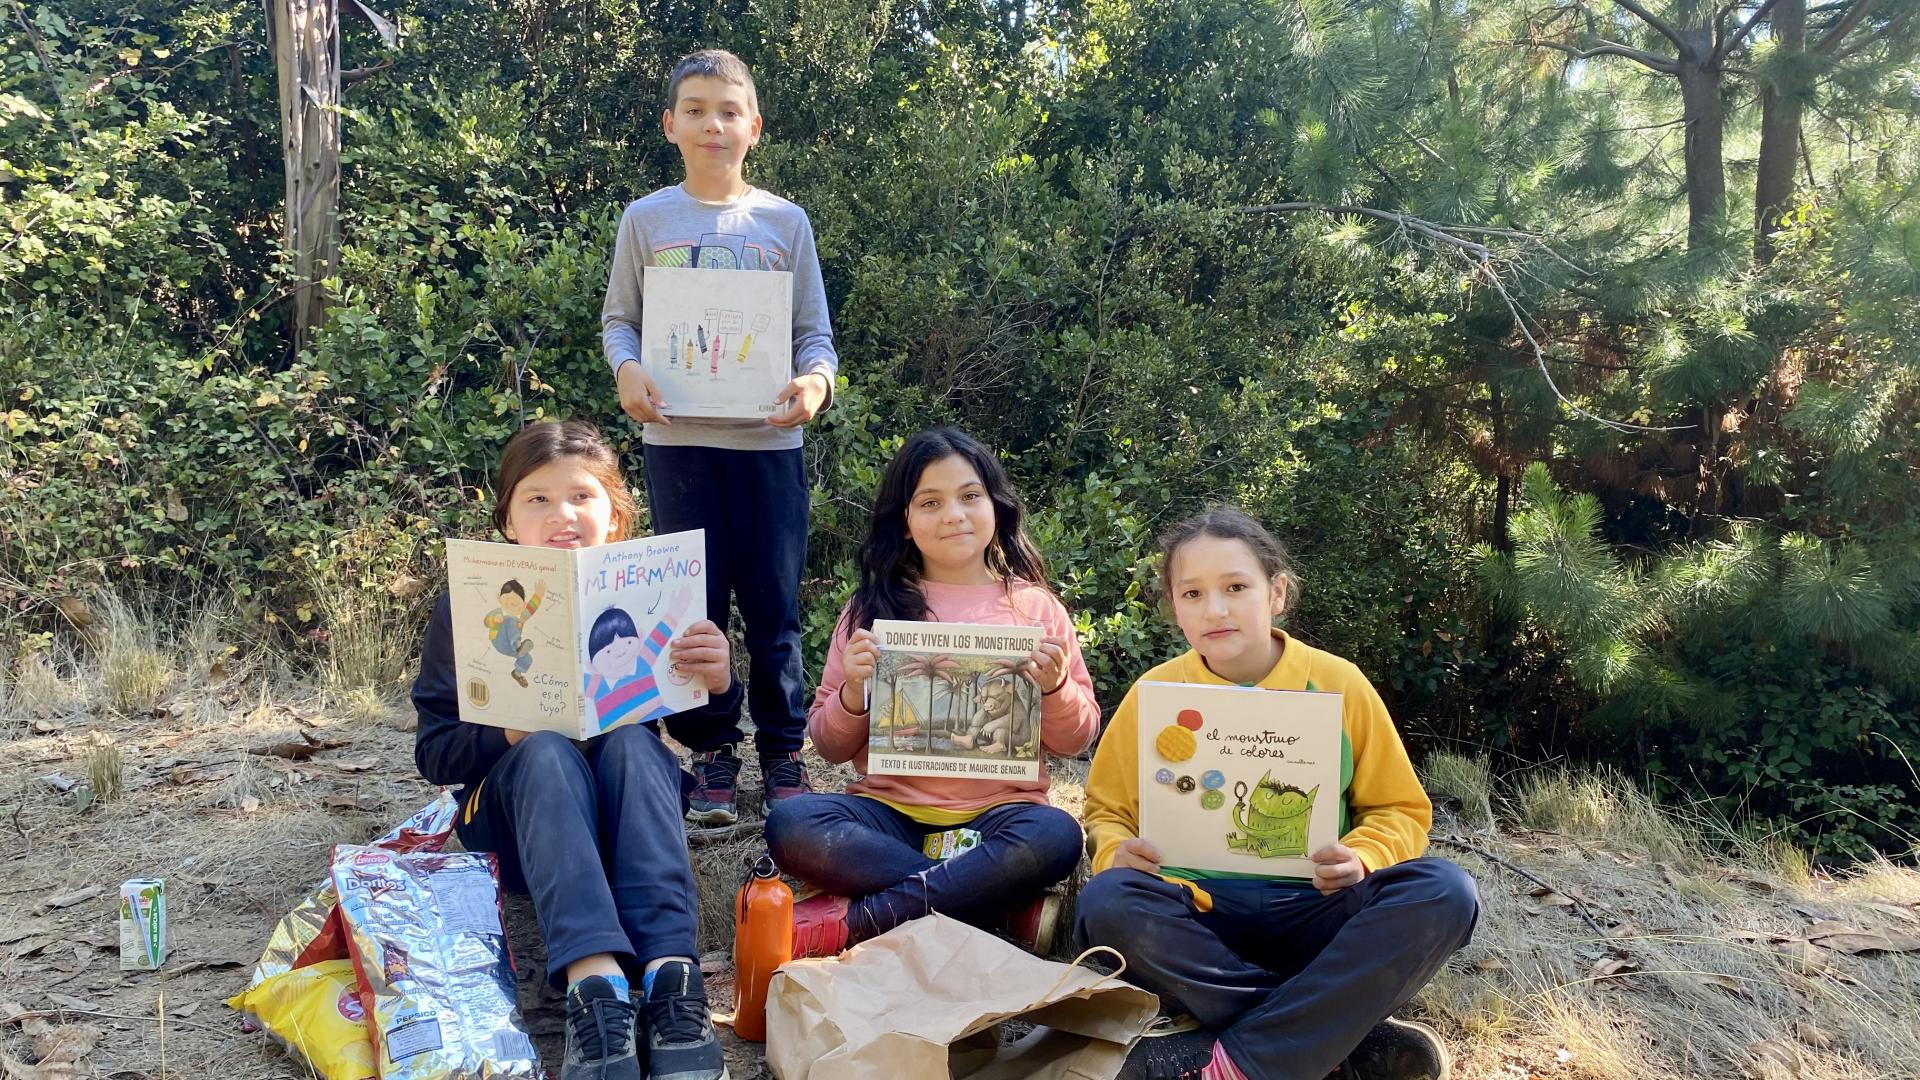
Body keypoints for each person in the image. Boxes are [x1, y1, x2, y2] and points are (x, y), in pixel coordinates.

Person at [1076, 505, 1480, 1080]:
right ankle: (1334, 1043)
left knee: (1447, 891)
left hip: (1318, 914)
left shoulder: (1339, 683)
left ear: (1278, 592)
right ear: (1174, 609)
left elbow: (1399, 809)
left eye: (1236, 587)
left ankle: (1239, 1058)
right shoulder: (1155, 692)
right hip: (1196, 918)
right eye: (1191, 594)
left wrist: (1363, 857)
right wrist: (1116, 850)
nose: (1214, 609)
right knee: (1107, 902)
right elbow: (1106, 810)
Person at [412, 421, 730, 1080]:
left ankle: (673, 980)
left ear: (615, 515)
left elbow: (704, 738)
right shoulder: (467, 605)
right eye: (537, 499)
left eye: (582, 497)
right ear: (507, 520)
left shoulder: (653, 589)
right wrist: (511, 731)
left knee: (634, 745)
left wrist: (721, 682)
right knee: (549, 750)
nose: (562, 515)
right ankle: (596, 988)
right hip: (517, 823)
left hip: (625, 821)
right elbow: (436, 752)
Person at [601, 47, 837, 824]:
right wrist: (627, 372)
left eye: (729, 111)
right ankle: (709, 752)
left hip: (770, 450)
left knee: (774, 608)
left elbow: (815, 337)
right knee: (691, 609)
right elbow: (619, 321)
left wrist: (815, 387)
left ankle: (781, 754)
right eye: (696, 110)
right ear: (670, 124)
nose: (713, 124)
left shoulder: (784, 222)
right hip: (678, 448)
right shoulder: (646, 219)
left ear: (755, 127)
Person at [764, 427, 1099, 956]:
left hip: (998, 818)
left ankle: (866, 919)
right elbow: (828, 746)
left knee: (1057, 836)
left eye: (970, 496)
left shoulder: (1035, 609)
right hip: (888, 820)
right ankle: (996, 903)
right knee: (791, 823)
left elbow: (1076, 738)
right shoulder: (870, 611)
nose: (954, 515)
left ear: (996, 506)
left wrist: (1055, 686)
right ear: (904, 519)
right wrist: (853, 692)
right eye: (930, 502)